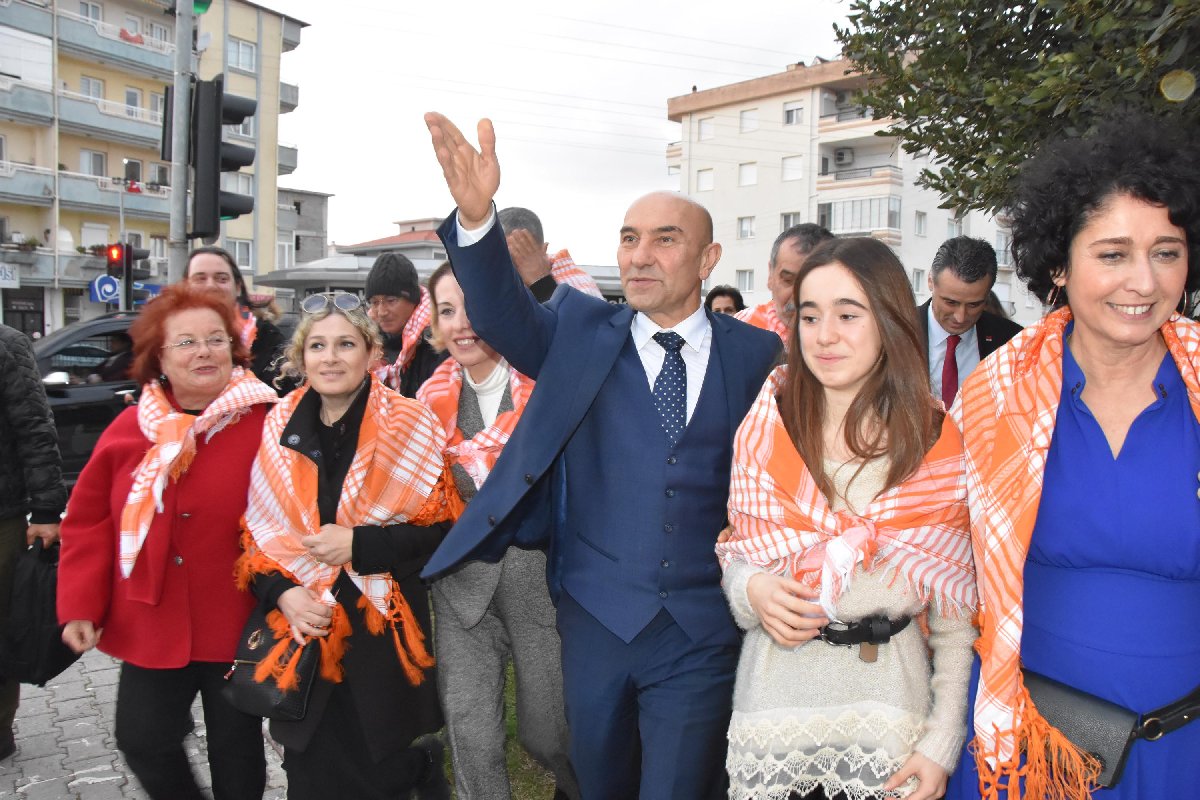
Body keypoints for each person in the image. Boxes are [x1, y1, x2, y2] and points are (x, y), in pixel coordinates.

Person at [422, 113, 781, 799]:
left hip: (703, 628)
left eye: (664, 240)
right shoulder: (580, 333)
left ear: (708, 260)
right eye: (628, 239)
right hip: (595, 620)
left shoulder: (756, 355)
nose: (640, 256)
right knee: (596, 783)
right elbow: (501, 315)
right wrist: (476, 220)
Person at [945, 117, 1200, 800]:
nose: (1143, 280)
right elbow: (926, 547)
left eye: (1167, 251)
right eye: (1112, 254)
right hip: (1019, 751)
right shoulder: (993, 398)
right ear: (1058, 265)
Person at [716, 237, 976, 800]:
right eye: (809, 315)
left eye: (847, 315)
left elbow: (958, 616)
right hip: (774, 707)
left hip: (889, 716)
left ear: (889, 321)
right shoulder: (768, 428)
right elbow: (738, 554)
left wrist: (943, 738)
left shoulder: (935, 442)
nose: (824, 335)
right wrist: (752, 589)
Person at [57, 285, 277, 800]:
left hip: (237, 620)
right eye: (186, 342)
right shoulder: (130, 428)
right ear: (159, 357)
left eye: (215, 339)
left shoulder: (268, 423)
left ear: (234, 348)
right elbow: (88, 522)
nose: (204, 351)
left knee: (237, 754)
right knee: (143, 740)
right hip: (153, 621)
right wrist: (80, 606)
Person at [237, 292, 457, 799]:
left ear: (371, 354)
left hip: (380, 639)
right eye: (317, 345)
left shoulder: (411, 423)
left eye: (345, 344)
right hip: (306, 631)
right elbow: (258, 536)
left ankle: (422, 769)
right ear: (301, 357)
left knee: (382, 778)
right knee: (310, 779)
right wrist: (282, 595)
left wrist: (360, 545)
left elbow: (442, 531)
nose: (330, 357)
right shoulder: (278, 425)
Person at [418, 263, 579, 799]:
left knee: (549, 735)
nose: (462, 324)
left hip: (539, 591)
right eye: (447, 310)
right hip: (461, 592)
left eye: (473, 306)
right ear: (435, 326)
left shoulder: (546, 389)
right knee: (472, 738)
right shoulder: (422, 408)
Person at [0, 323, 67, 760]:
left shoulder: (6, 345)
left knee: (3, 628)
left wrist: (45, 510)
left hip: (2, 515)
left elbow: (35, 428)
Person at [919, 237, 1022, 409]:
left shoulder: (1012, 342)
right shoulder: (895, 331)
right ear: (931, 281)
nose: (960, 317)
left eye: (974, 305)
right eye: (950, 302)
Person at [183, 246, 289, 393]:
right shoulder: (165, 336)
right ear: (185, 287)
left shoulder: (269, 339)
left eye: (221, 279)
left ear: (238, 287)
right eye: (200, 278)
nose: (211, 286)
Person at [736, 223, 834, 345]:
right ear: (771, 275)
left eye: (815, 284)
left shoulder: (852, 335)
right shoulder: (740, 331)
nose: (798, 295)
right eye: (788, 280)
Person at [365, 252, 448, 398]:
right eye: (375, 302)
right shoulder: (367, 345)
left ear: (413, 301)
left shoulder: (439, 343)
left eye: (391, 301)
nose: (382, 311)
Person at [498, 206, 605, 299]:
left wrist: (541, 283)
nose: (508, 267)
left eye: (520, 256)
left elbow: (580, 319)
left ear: (543, 252)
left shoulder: (579, 286)